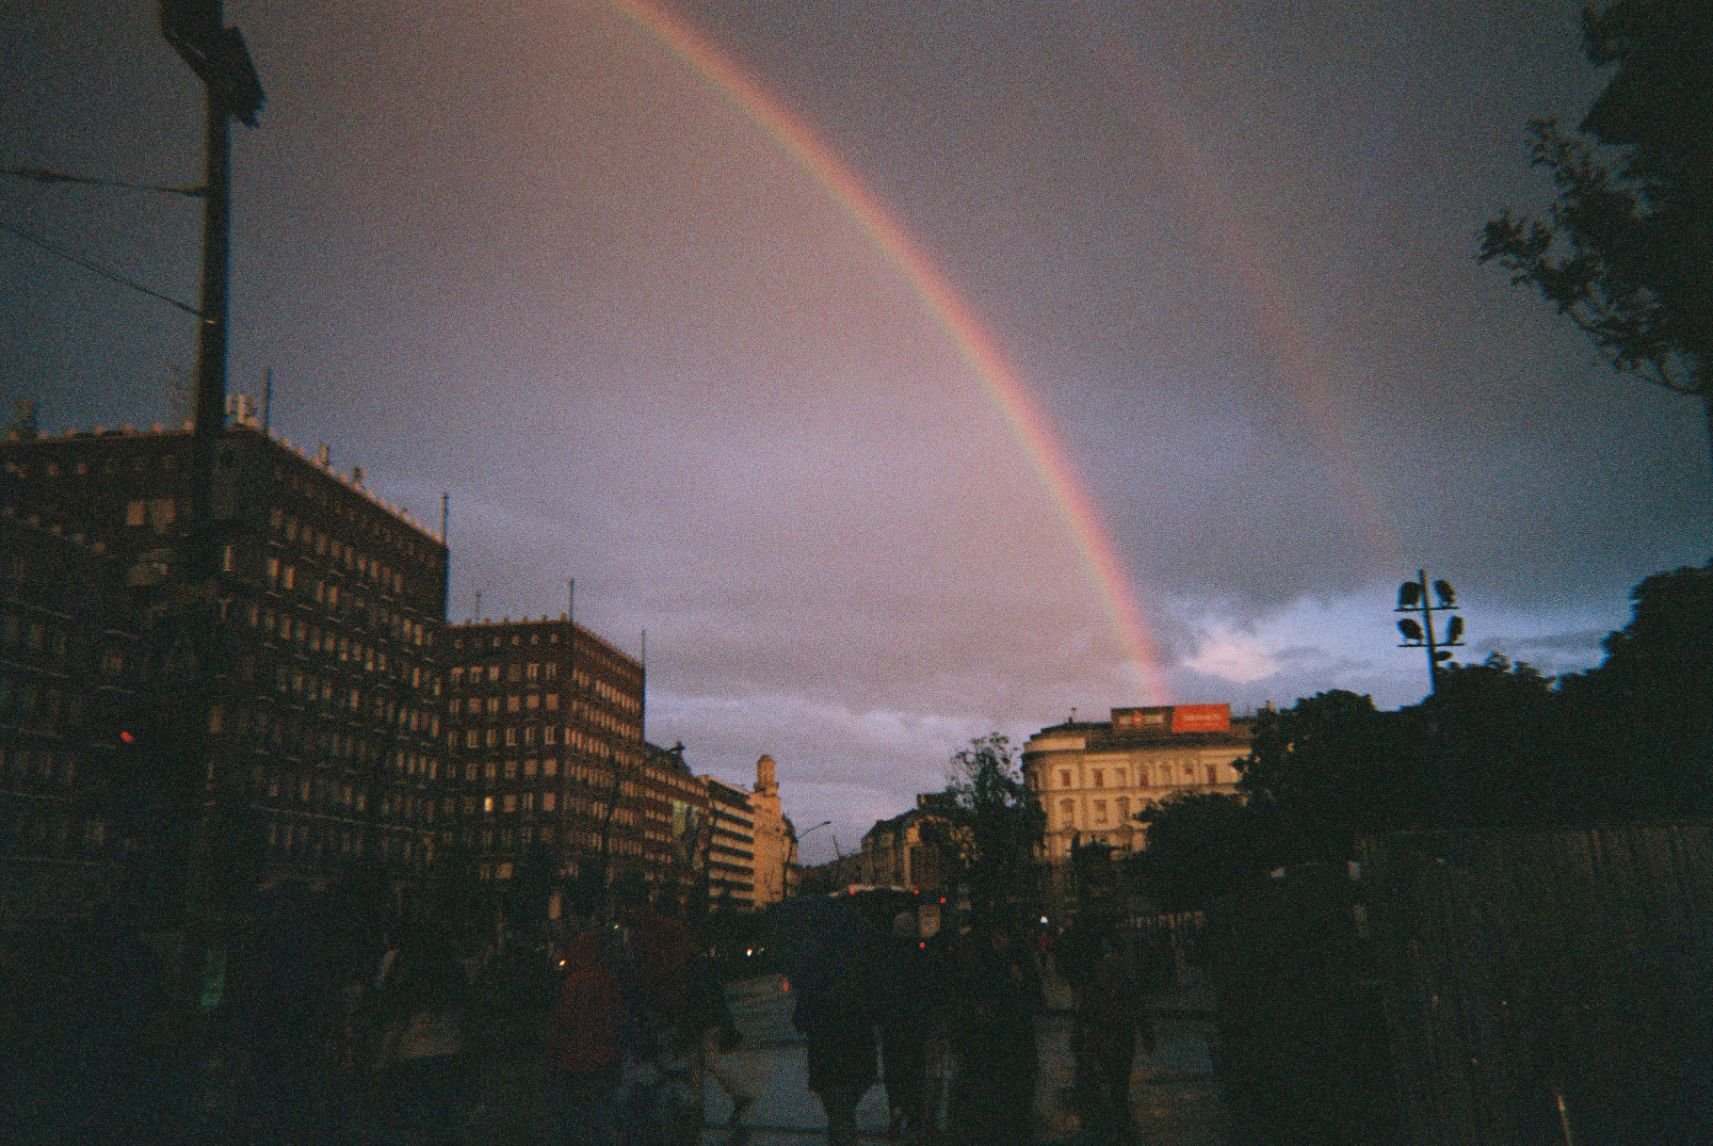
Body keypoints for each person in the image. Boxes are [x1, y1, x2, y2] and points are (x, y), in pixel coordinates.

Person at [949, 919, 1043, 1146]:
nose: (1000, 941)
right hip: (1000, 1041)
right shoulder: (990, 964)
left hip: (1007, 1039)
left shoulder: (1003, 963)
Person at [546, 929, 625, 1145]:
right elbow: (618, 1016)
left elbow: (563, 1021)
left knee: (576, 1113)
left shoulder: (573, 983)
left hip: (576, 1059)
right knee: (602, 1109)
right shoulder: (608, 980)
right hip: (604, 1056)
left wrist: (554, 1054)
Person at [878, 910, 947, 1141]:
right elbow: (930, 989)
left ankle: (896, 1107)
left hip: (892, 1025)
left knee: (894, 1069)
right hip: (916, 1025)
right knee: (915, 1068)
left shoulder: (886, 955)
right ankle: (915, 1115)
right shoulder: (921, 955)